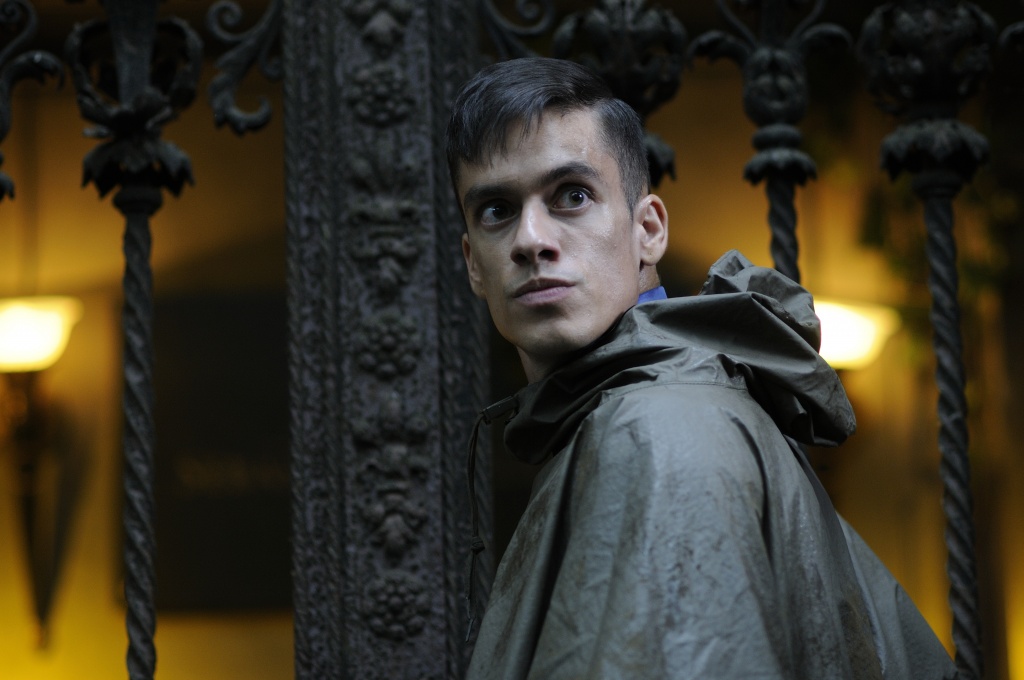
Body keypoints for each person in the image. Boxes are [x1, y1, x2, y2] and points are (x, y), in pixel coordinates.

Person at [447, 57, 956, 680]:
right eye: (497, 210)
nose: (531, 239)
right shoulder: (631, 416)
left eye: (572, 196)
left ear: (648, 230)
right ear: (473, 262)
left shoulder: (659, 433)